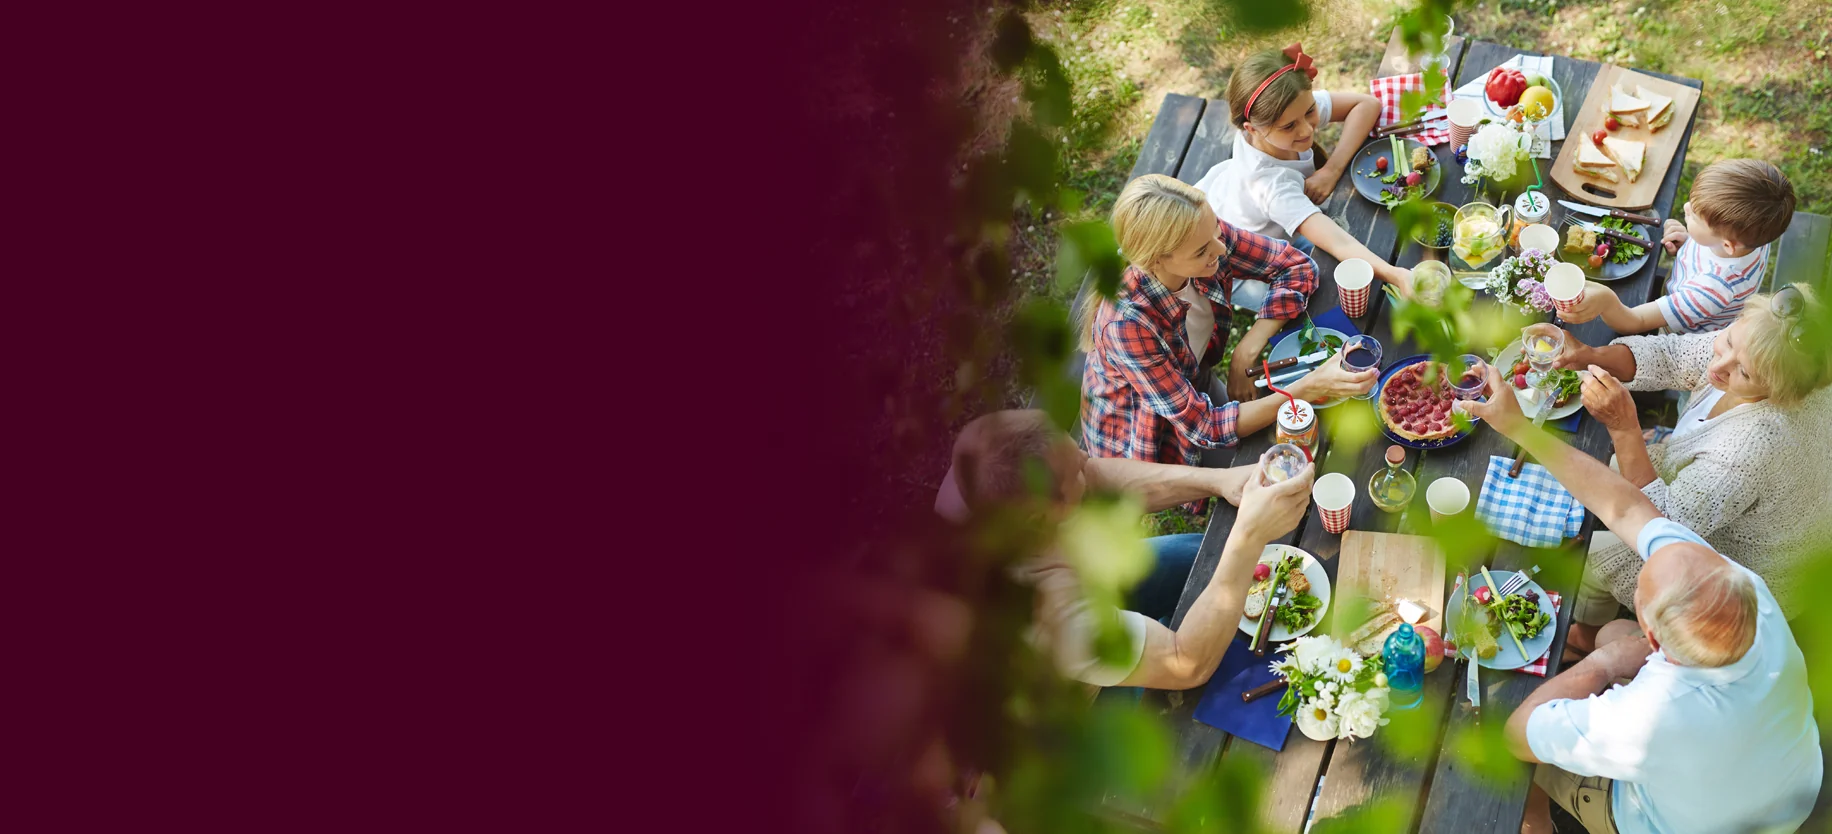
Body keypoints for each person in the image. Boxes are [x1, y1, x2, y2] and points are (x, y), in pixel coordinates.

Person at [1455, 364, 1822, 834]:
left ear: (1654, 636)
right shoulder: (1748, 592)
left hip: (1666, 820)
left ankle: (1539, 824)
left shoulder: (1647, 720)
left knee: (1497, 743)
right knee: (1610, 631)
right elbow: (1626, 507)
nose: (1661, 547)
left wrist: (1605, 666)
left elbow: (1520, 733)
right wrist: (1517, 426)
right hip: (1783, 785)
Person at [939, 410, 1312, 690]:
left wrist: (1219, 481)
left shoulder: (989, 473)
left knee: (1201, 555)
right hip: (1074, 689)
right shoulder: (1046, 614)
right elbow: (1187, 664)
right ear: (1039, 521)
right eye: (1078, 479)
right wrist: (1247, 535)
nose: (1089, 466)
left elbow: (1095, 475)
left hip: (1088, 581)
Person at [1551, 287, 1832, 650]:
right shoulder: (1764, 344)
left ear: (1780, 391)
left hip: (1740, 575)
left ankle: (1584, 637)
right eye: (1728, 341)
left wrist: (1624, 427)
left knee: (1589, 560)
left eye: (1741, 373)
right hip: (1719, 504)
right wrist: (1594, 356)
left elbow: (1662, 526)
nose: (1717, 367)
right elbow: (1672, 355)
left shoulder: (1752, 446)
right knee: (1609, 470)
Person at [1078, 175, 1376, 472]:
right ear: (1156, 260)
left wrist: (1247, 347)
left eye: (1216, 233)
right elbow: (1205, 427)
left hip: (1195, 378)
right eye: (1201, 251)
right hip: (1146, 435)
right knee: (1254, 466)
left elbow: (1296, 265)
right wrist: (1308, 387)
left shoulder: (1200, 233)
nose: (1221, 250)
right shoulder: (1126, 325)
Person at [1192, 44, 1413, 297]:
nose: (1307, 130)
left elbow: (1367, 105)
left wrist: (1331, 170)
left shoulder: (1285, 109)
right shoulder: (1272, 186)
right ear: (1251, 128)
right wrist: (1396, 275)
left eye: (1310, 112)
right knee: (1320, 289)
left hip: (1227, 198)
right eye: (1289, 127)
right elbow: (1339, 243)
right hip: (1240, 265)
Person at [1557, 159, 1795, 335]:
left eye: (1694, 217)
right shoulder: (1755, 234)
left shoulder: (1711, 291)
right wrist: (1690, 241)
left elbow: (1635, 321)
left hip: (1681, 332)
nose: (1685, 207)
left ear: (1727, 245)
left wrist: (1607, 301)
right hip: (1687, 292)